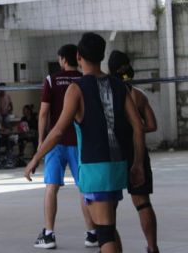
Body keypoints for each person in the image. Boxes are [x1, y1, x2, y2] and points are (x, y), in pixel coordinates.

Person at [25, 33, 145, 253]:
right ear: (101, 56)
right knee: (108, 227)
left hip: (95, 167)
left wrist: (36, 157)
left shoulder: (77, 89)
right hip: (118, 164)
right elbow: (138, 126)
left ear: (79, 56)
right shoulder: (119, 86)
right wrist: (137, 163)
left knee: (105, 232)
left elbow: (58, 130)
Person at [32, 44, 97, 249]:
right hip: (80, 141)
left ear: (62, 59)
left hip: (56, 141)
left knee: (51, 187)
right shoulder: (85, 80)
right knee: (84, 187)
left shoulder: (52, 80)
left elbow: (43, 113)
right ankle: (92, 234)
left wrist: (41, 142)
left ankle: (49, 235)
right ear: (76, 58)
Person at [108, 50, 159, 253]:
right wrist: (135, 128)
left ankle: (109, 247)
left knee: (107, 209)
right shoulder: (138, 95)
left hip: (113, 154)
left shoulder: (105, 94)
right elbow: (152, 125)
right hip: (138, 152)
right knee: (143, 203)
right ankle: (153, 247)